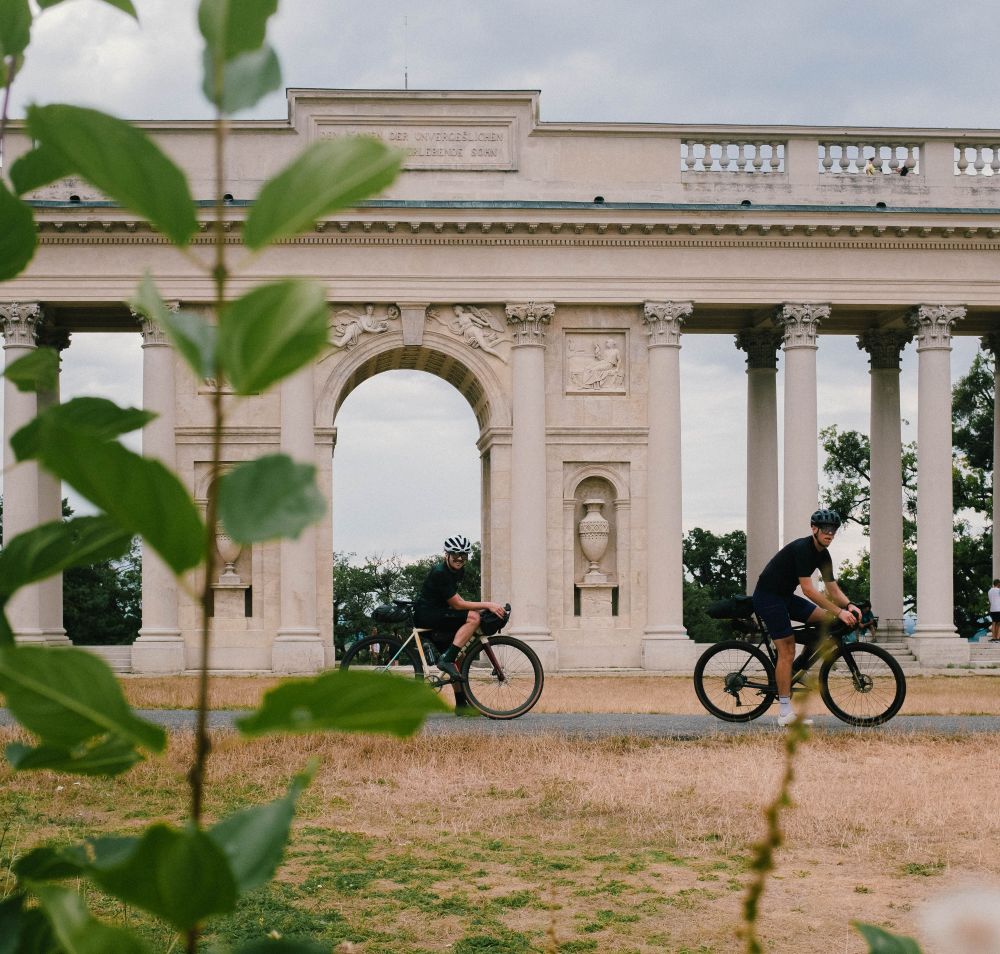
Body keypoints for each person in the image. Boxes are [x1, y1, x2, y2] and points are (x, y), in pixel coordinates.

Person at [752, 509, 862, 726]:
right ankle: (784, 713)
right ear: (814, 529)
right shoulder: (803, 549)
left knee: (827, 621)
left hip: (784, 597)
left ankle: (798, 667)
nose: (830, 533)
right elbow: (809, 590)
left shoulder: (824, 554)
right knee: (787, 649)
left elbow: (832, 588)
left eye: (833, 530)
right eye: (826, 529)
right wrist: (839, 611)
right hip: (768, 598)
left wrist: (849, 605)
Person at [414, 534, 508, 714]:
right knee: (473, 619)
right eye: (455, 554)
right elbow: (457, 605)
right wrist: (487, 604)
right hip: (428, 614)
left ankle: (461, 705)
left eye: (464, 555)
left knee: (460, 654)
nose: (459, 558)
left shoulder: (458, 571)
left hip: (441, 613)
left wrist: (478, 608)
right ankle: (446, 659)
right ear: (446, 554)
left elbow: (455, 599)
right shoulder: (440, 572)